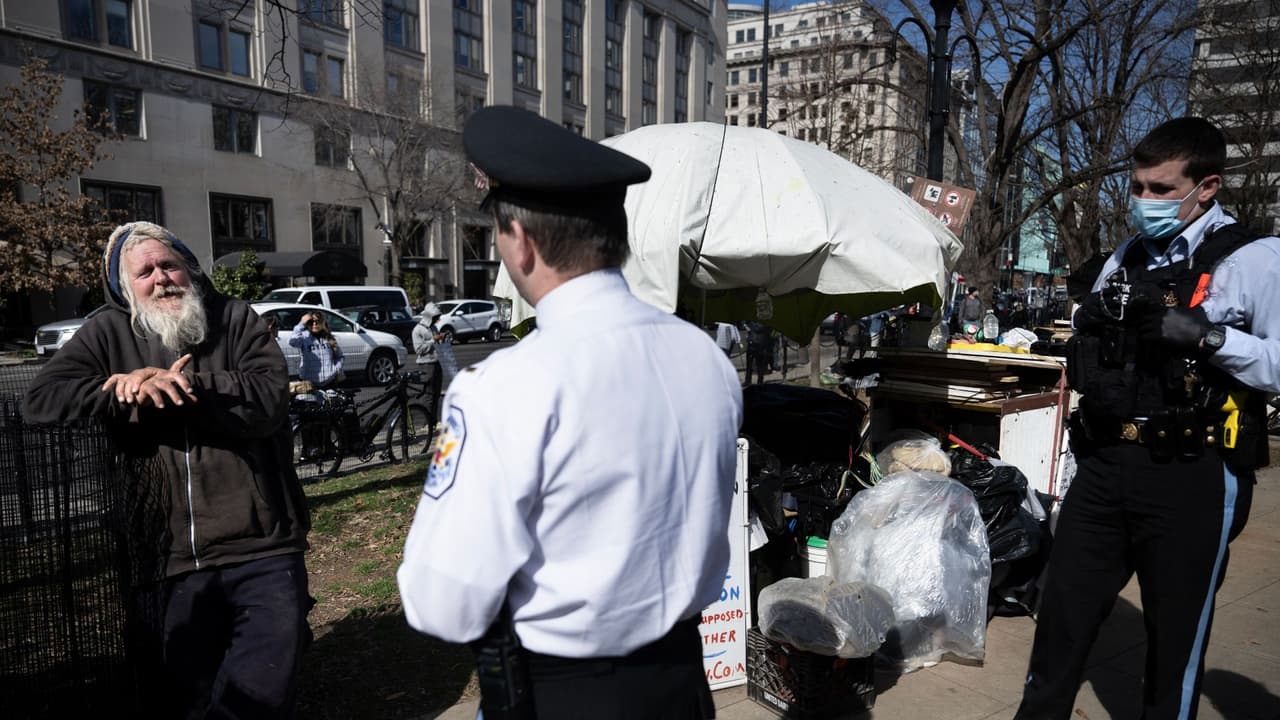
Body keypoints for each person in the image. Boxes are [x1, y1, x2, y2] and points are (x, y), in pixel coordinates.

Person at [397, 106, 743, 719]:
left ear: (521, 242)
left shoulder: (504, 385)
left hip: (565, 694)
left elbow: (442, 602)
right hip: (684, 685)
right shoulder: (705, 357)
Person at [1016, 117, 1280, 719]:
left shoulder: (1256, 259)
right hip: (1107, 463)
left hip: (1194, 470)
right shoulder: (1128, 255)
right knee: (1061, 618)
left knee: (1174, 642)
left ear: (1206, 187)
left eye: (1161, 189)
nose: (1143, 202)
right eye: (1137, 187)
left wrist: (1210, 337)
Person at [22, 221, 312, 718]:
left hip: (261, 542)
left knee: (266, 682)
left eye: (169, 265)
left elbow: (268, 399)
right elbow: (39, 400)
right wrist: (120, 390)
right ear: (123, 286)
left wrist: (187, 388)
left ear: (190, 270)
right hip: (169, 555)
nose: (161, 278)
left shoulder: (235, 319)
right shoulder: (108, 332)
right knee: (187, 694)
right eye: (145, 272)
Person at [411, 302, 448, 421]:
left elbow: (437, 344)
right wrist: (433, 340)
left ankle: (433, 421)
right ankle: (427, 423)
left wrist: (442, 339)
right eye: (436, 317)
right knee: (428, 395)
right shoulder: (417, 330)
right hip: (426, 365)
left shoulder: (433, 328)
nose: (438, 319)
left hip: (437, 363)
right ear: (429, 316)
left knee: (436, 394)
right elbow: (418, 349)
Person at [290, 310, 344, 388]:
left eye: (317, 321)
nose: (314, 324)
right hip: (308, 383)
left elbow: (340, 356)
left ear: (322, 322)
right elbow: (292, 342)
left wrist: (336, 369)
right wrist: (301, 324)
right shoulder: (303, 337)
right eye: (311, 322)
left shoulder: (329, 338)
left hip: (329, 381)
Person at [745, 320, 775, 385]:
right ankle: (750, 380)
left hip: (757, 344)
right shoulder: (755, 322)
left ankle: (757, 380)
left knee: (758, 365)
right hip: (755, 344)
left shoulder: (757, 322)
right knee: (752, 365)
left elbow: (758, 328)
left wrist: (750, 325)